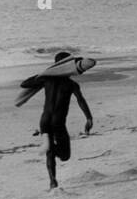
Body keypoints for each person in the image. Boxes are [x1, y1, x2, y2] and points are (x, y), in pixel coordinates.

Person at [15, 51, 94, 189]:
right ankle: (51, 151)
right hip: (58, 122)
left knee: (50, 152)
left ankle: (52, 181)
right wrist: (88, 117)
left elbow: (25, 84)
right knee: (65, 155)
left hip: (44, 121)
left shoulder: (46, 80)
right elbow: (81, 100)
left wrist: (45, 73)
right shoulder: (71, 84)